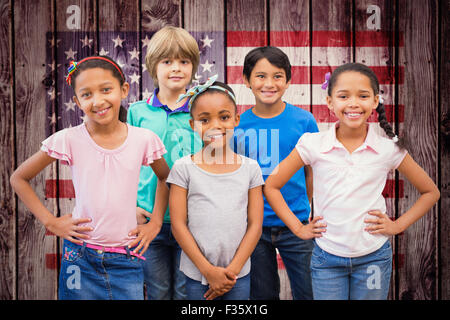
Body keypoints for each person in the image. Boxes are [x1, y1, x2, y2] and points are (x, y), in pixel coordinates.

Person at [264, 62, 440, 300]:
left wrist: (397, 226)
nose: (354, 103)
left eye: (363, 96)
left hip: (373, 256)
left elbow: (431, 192)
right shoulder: (313, 144)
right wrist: (298, 227)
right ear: (330, 102)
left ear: (375, 100)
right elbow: (272, 186)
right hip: (327, 258)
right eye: (344, 96)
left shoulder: (388, 149)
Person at [10, 56, 170, 300]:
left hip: (127, 258)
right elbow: (19, 178)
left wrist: (156, 223)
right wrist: (51, 222)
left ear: (123, 90)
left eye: (106, 90)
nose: (98, 101)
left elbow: (165, 178)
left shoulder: (144, 139)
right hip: (80, 257)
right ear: (76, 101)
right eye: (86, 95)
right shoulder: (68, 139)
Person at [232, 46, 319, 300]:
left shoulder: (304, 121)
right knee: (262, 294)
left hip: (297, 225)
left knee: (309, 291)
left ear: (288, 81)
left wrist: (302, 209)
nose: (269, 83)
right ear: (246, 81)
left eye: (277, 76)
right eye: (260, 76)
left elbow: (310, 173)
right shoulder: (238, 125)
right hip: (254, 228)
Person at [168, 75, 264, 300]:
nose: (215, 126)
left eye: (224, 117)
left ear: (236, 119)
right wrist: (208, 271)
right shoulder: (184, 168)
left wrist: (231, 272)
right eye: (205, 120)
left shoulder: (251, 168)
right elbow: (179, 225)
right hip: (197, 274)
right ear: (193, 125)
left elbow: (255, 224)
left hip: (238, 274)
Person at [127, 26, 202, 300]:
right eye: (167, 61)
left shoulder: (201, 110)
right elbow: (127, 165)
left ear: (193, 67)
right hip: (148, 218)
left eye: (184, 61)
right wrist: (131, 206)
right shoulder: (138, 112)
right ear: (153, 66)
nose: (176, 68)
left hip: (192, 218)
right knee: (157, 291)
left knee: (186, 291)